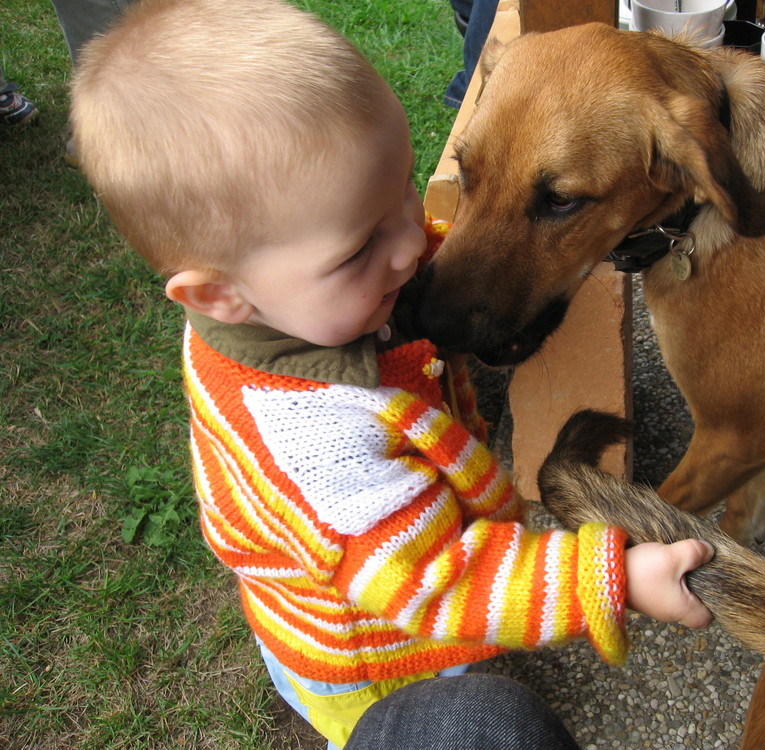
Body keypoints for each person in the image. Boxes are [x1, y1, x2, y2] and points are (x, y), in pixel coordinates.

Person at [70, 0, 716, 747]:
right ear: (218, 294)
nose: (415, 244)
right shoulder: (319, 450)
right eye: (359, 246)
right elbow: (440, 585)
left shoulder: (290, 302)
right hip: (381, 654)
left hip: (384, 567)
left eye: (405, 192)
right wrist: (616, 580)